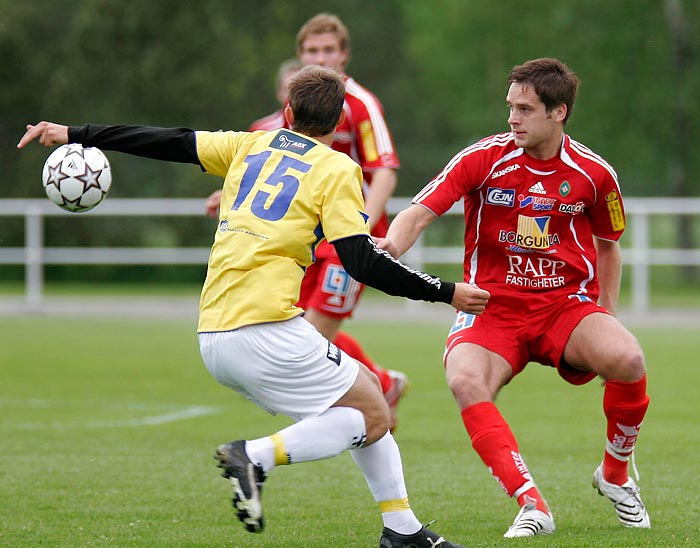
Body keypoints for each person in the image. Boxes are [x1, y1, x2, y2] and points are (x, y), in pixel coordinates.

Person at [18, 65, 490, 548]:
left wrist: (77, 132)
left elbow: (169, 140)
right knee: (374, 418)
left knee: (368, 394)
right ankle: (255, 457)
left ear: (287, 112)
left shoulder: (249, 146)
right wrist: (444, 291)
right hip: (265, 329)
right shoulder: (337, 169)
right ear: (336, 125)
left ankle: (403, 531)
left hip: (213, 333)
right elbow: (361, 261)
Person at [379, 58, 651, 538]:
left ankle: (614, 474)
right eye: (510, 107)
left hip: (563, 307)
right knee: (465, 381)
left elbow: (609, 244)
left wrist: (605, 312)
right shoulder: (483, 158)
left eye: (525, 109)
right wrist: (391, 246)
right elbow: (420, 211)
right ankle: (532, 505)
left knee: (628, 358)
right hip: (490, 307)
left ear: (558, 112)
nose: (512, 118)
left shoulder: (595, 173)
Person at [206, 13, 410, 431]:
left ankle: (338, 416)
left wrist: (359, 229)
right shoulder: (277, 123)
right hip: (301, 240)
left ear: (344, 55)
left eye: (329, 50)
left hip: (346, 240)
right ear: (300, 57)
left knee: (312, 335)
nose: (322, 57)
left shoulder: (360, 104)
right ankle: (381, 384)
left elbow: (385, 170)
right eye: (312, 51)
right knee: (300, 331)